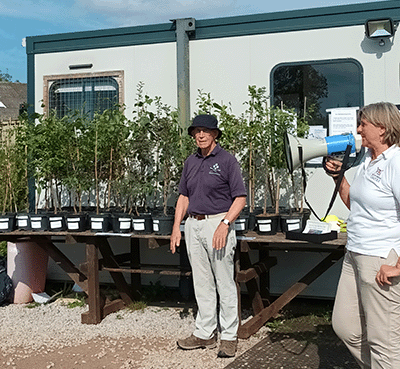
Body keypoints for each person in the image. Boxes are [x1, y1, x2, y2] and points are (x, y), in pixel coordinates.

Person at [324, 102, 400, 369]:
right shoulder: (367, 161)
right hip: (354, 254)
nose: (358, 129)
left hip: (379, 257)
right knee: (346, 328)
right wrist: (338, 177)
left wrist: (398, 265)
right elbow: (354, 205)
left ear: (382, 128)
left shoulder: (396, 162)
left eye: (363, 123)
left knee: (384, 341)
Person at [170, 114, 247, 358]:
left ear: (215, 134)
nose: (200, 135)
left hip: (218, 223)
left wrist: (225, 224)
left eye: (205, 131)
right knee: (201, 282)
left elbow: (240, 198)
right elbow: (184, 196)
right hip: (193, 224)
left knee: (224, 281)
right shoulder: (190, 162)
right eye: (197, 131)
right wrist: (176, 227)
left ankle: (229, 336)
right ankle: (204, 333)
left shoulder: (226, 161)